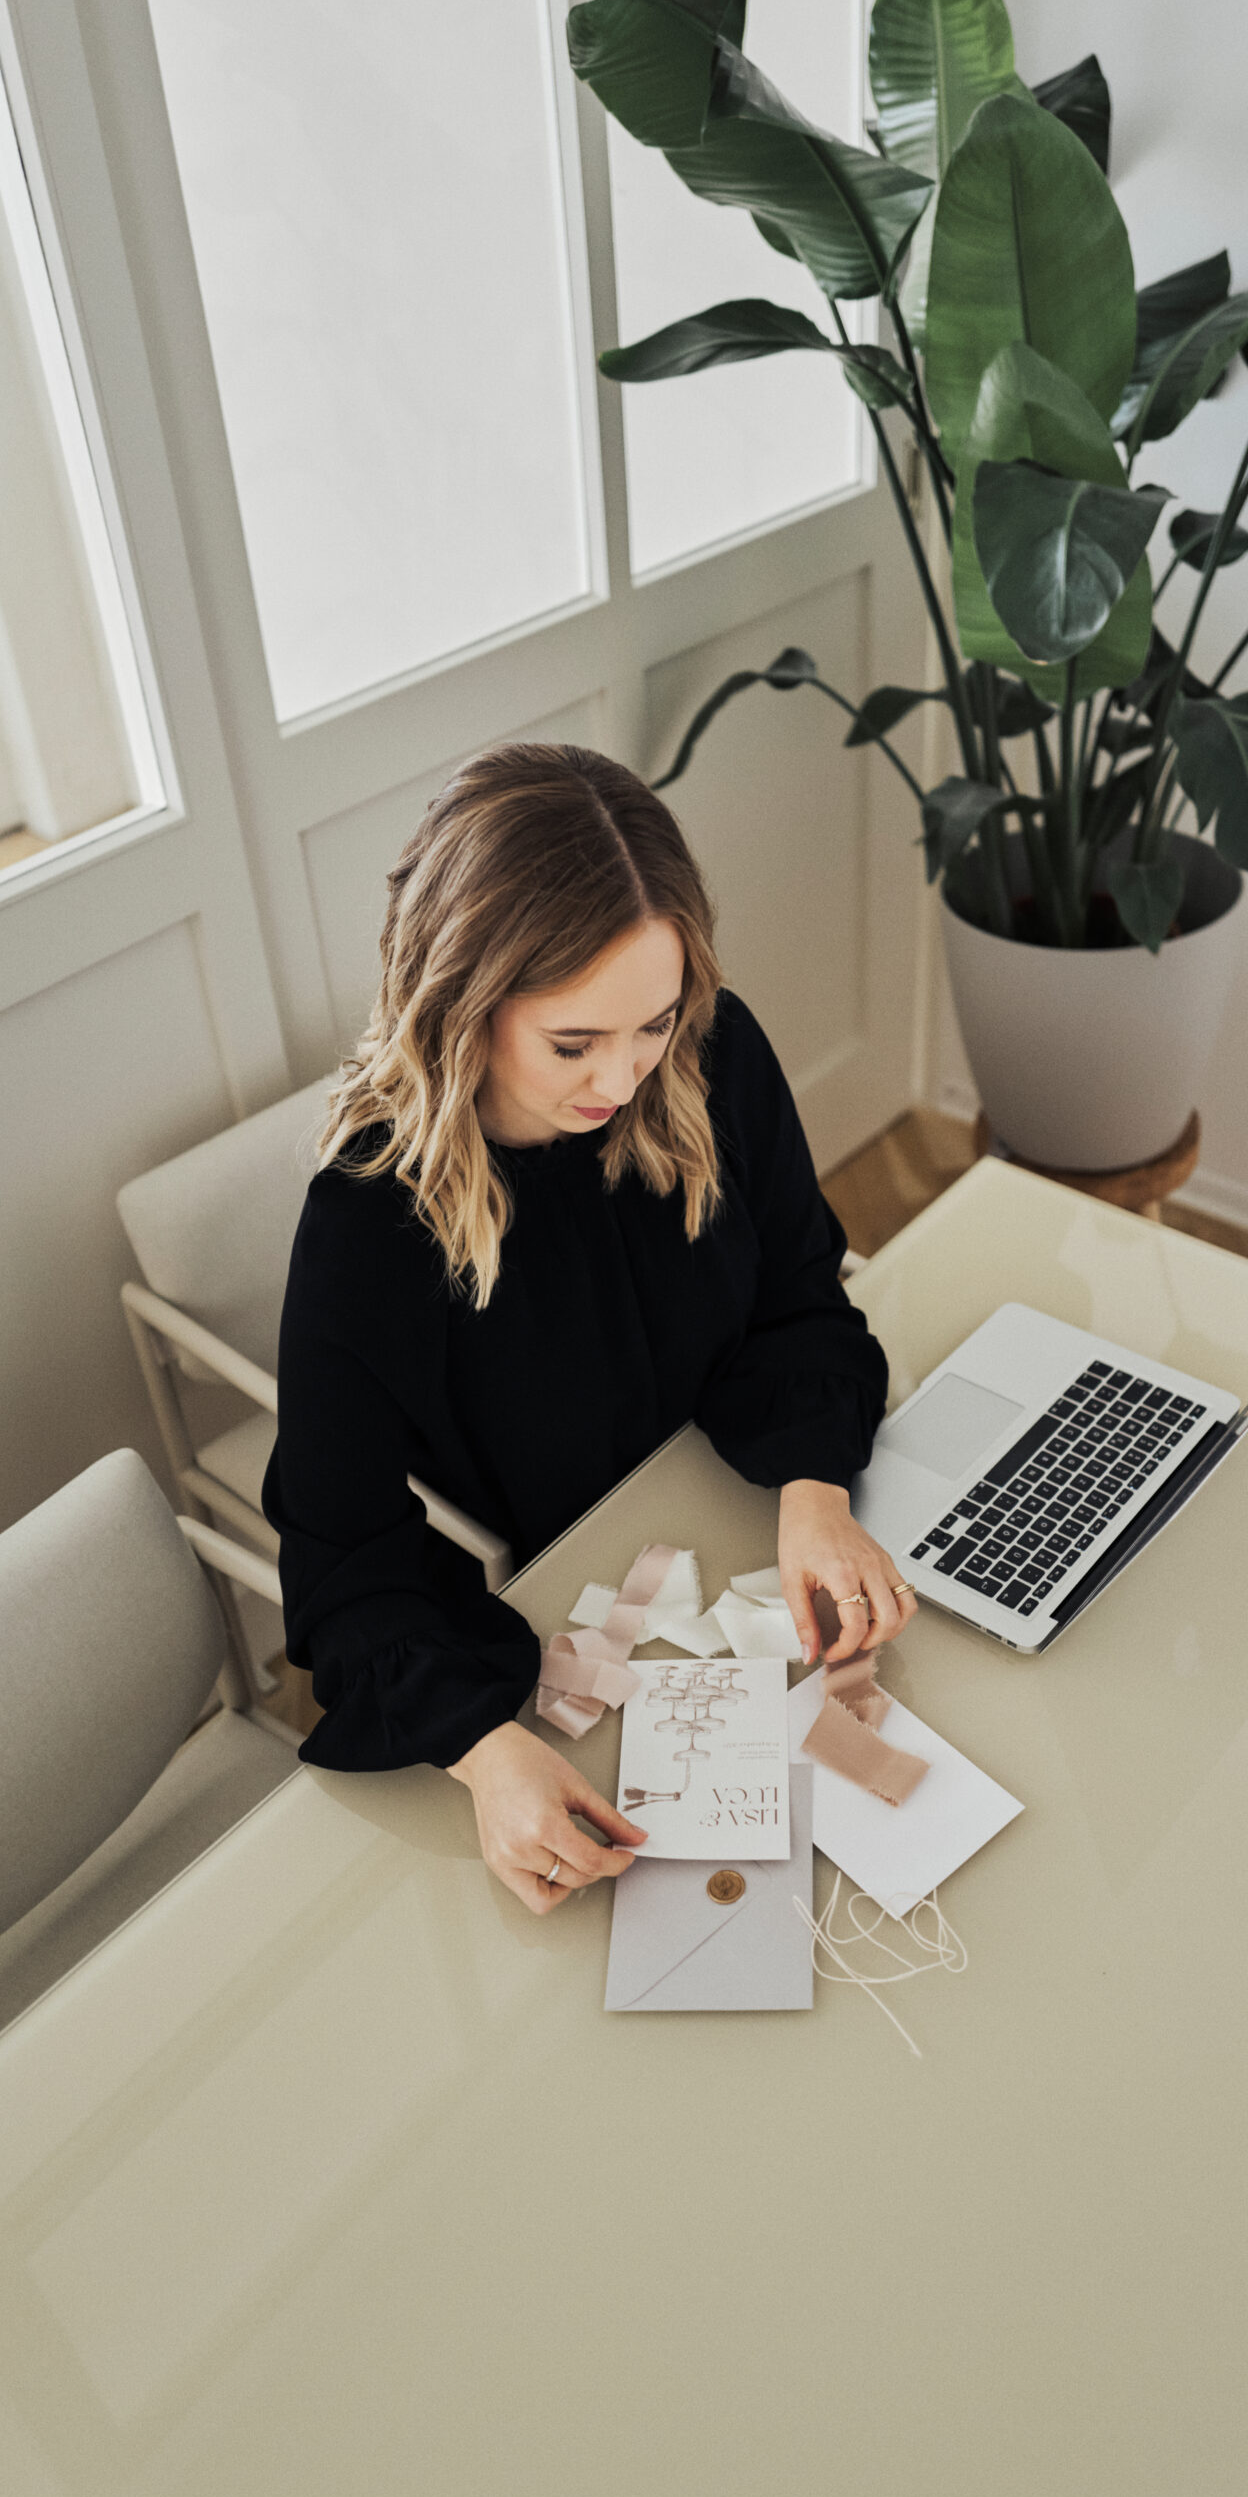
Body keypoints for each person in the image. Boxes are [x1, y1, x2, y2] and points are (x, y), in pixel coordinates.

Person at [264, 743, 916, 1918]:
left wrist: (816, 1488)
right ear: (463, 1001)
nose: (623, 1076)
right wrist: (483, 1751)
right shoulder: (371, 1221)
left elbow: (801, 1295)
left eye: (653, 1023)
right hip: (586, 1612)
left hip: (744, 1528)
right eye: (574, 1043)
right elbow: (340, 1560)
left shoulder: (713, 1060)